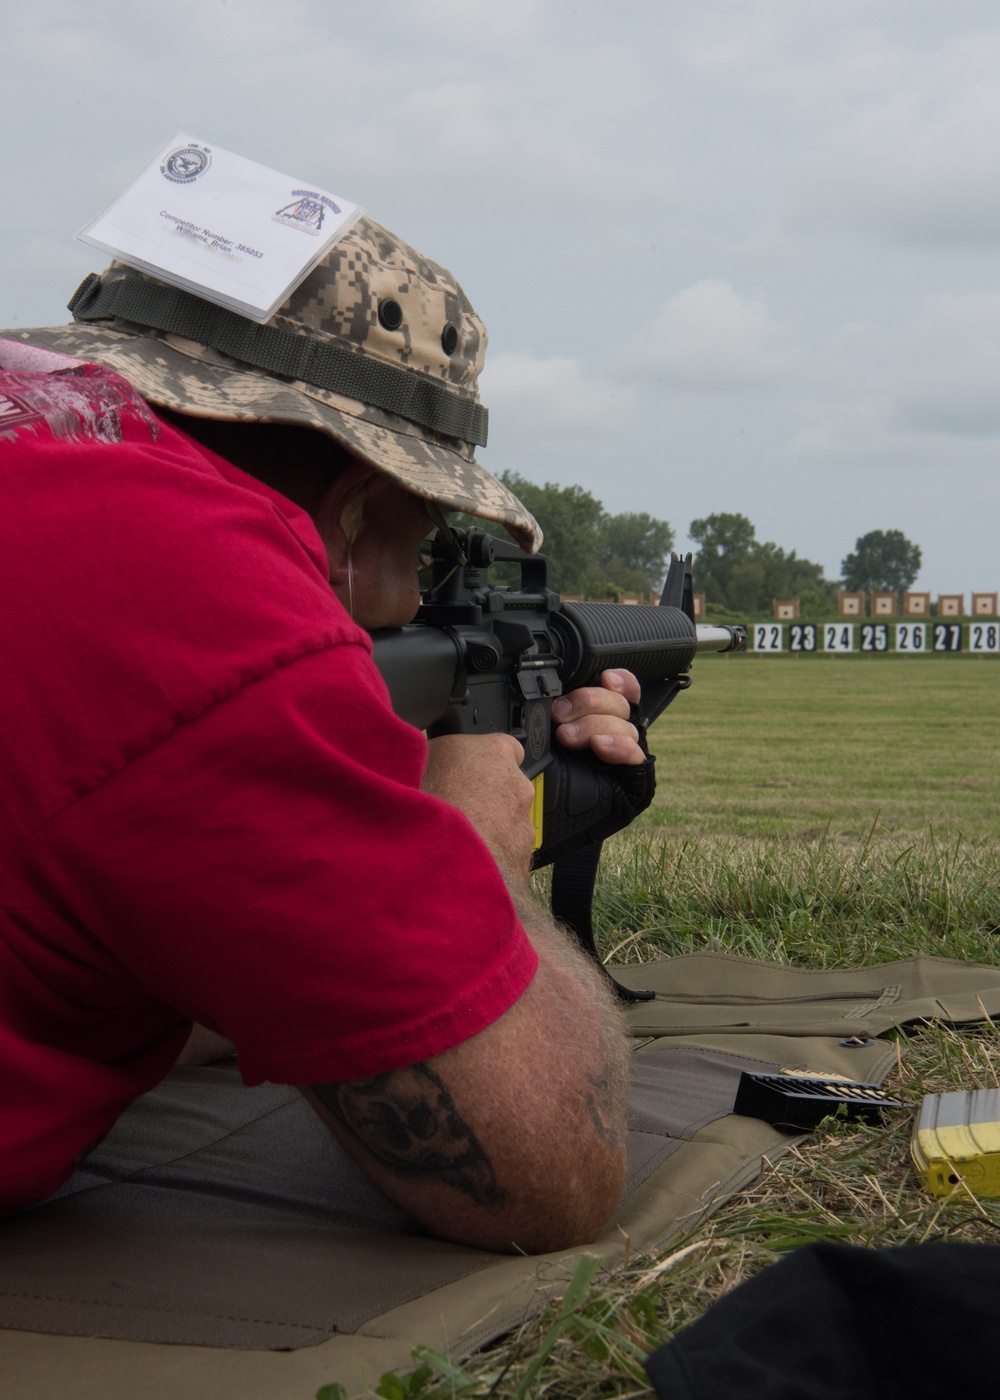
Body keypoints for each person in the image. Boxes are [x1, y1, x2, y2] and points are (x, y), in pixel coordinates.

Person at [0, 214, 651, 1255]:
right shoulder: (208, 604)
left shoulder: (54, 460)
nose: (420, 589)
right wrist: (472, 843)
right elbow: (547, 1170)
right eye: (427, 535)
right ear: (356, 508)